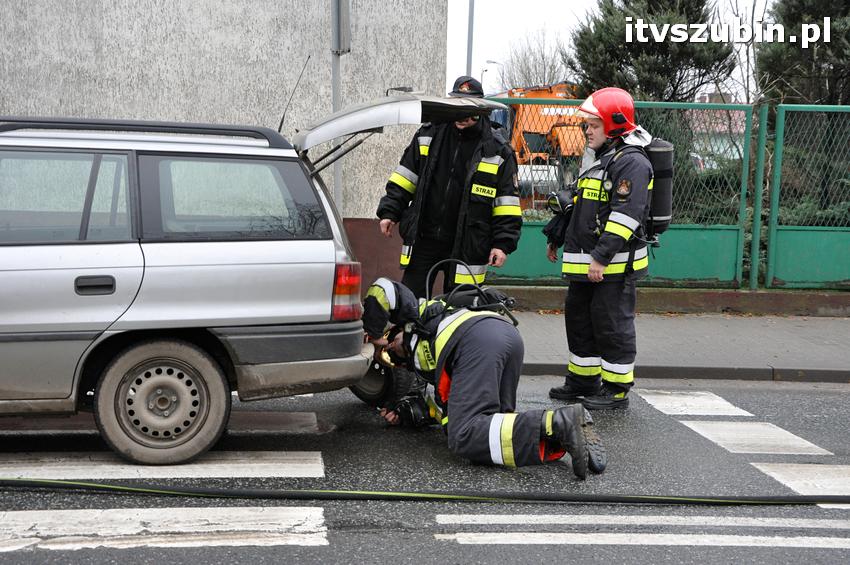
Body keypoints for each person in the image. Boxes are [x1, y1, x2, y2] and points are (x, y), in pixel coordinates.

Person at [362, 276, 607, 479]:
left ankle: (559, 422)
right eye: (390, 357)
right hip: (505, 338)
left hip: (475, 340)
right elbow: (449, 412)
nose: (390, 350)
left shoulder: (417, 312)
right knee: (492, 429)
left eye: (388, 346)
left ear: (395, 330)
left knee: (464, 437)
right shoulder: (425, 367)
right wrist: (409, 413)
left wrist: (372, 333)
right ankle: (560, 435)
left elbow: (383, 287)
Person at [546, 87, 654, 410]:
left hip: (612, 266)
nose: (587, 131)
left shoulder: (632, 162)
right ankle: (583, 380)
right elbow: (581, 204)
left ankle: (616, 389)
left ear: (615, 125)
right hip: (586, 265)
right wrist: (557, 236)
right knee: (580, 321)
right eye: (587, 125)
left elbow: (625, 216)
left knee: (611, 325)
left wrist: (601, 257)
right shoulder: (598, 158)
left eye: (594, 125)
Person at [376, 76, 522, 299]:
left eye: (467, 108)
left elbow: (507, 203)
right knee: (409, 303)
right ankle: (408, 335)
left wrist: (502, 244)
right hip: (425, 237)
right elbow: (405, 176)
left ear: (480, 109)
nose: (460, 115)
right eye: (457, 105)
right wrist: (390, 211)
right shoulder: (429, 134)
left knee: (459, 310)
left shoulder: (498, 150)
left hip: (467, 244)